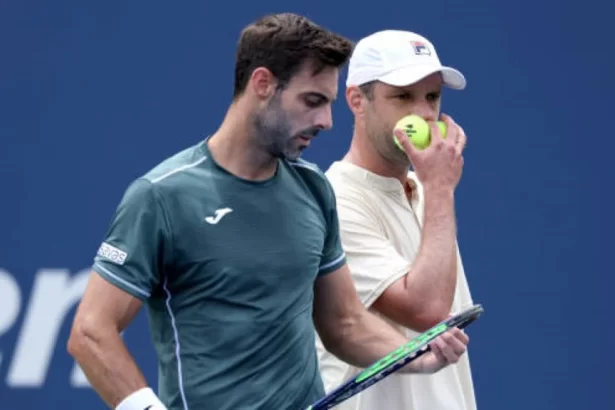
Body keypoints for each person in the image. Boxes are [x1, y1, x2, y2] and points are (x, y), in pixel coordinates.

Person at [66, 14, 470, 410]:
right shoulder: (161, 197)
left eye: (328, 104)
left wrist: (414, 355)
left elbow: (345, 323)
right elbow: (90, 333)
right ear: (263, 85)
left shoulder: (314, 190)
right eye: (312, 101)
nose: (326, 121)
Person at [314, 30, 478, 410]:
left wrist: (435, 187)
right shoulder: (335, 200)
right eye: (403, 96)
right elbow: (427, 312)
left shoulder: (429, 189)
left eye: (432, 97)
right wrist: (440, 187)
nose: (423, 112)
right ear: (357, 100)